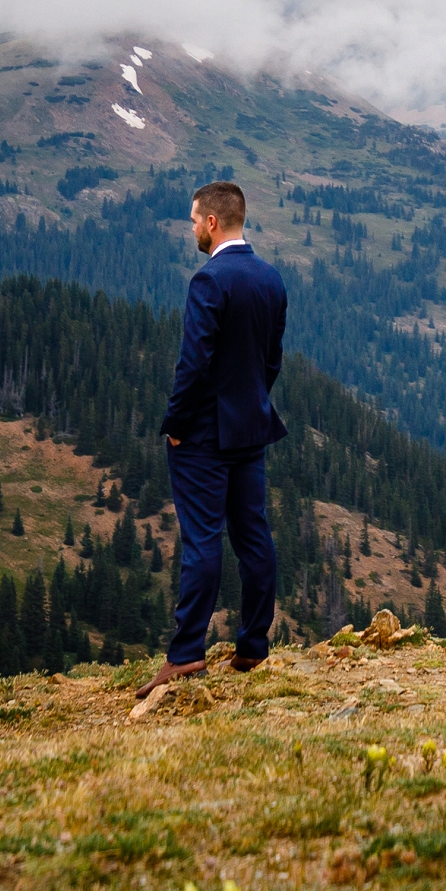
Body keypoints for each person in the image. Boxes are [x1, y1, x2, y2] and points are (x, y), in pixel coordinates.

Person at [135, 181, 290, 711]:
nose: (192, 229)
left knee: (202, 541)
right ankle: (253, 645)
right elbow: (271, 360)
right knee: (254, 536)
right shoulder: (270, 280)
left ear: (213, 224)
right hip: (251, 429)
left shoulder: (208, 283)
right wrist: (251, 403)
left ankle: (185, 653)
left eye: (194, 221)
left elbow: (193, 363)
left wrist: (175, 422)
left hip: (201, 436)